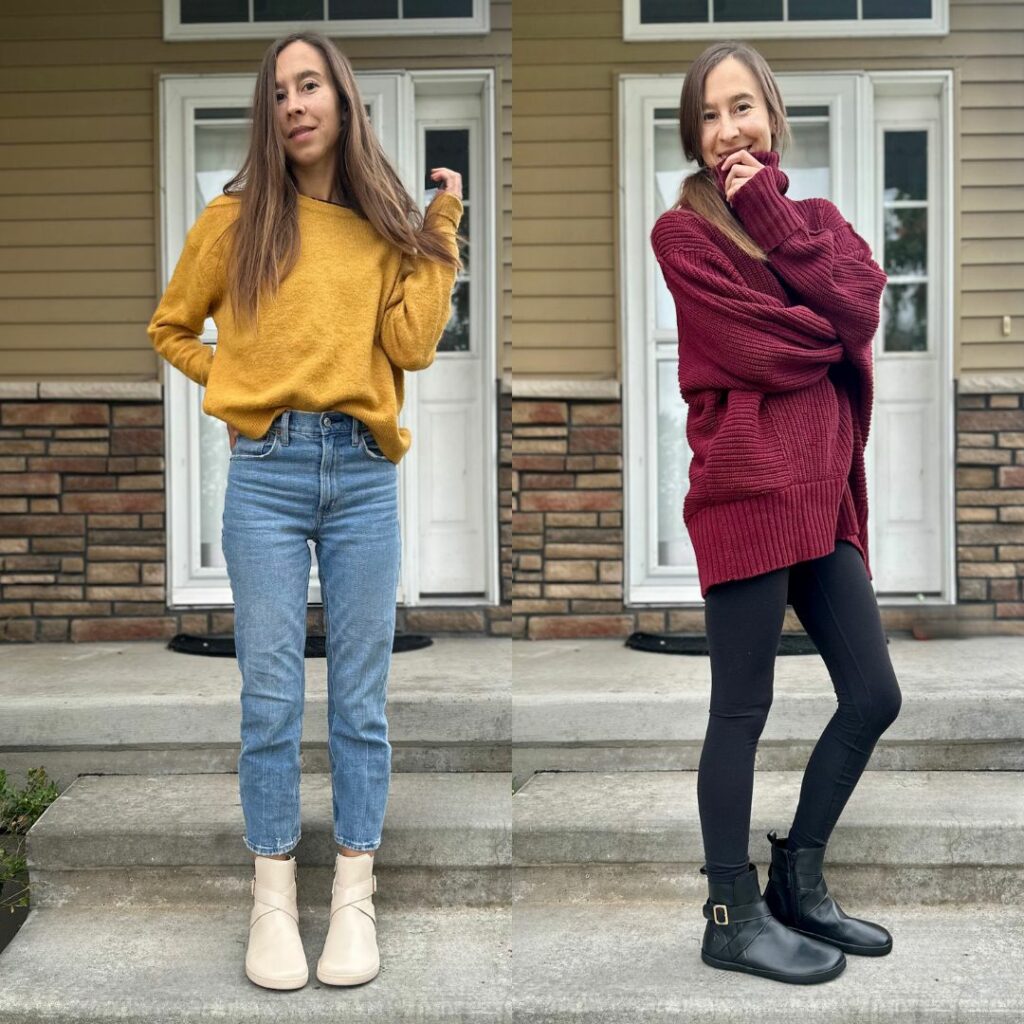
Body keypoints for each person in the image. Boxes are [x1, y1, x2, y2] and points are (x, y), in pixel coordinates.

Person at [146, 31, 462, 991]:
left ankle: (356, 893)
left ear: (342, 98)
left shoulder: (387, 223)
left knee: (360, 702)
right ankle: (274, 894)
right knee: (272, 698)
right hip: (268, 474)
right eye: (278, 90)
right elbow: (170, 327)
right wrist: (235, 383)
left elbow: (410, 347)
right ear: (267, 110)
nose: (293, 103)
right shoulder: (234, 218)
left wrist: (442, 227)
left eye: (309, 84)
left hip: (363, 472)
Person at [650, 41, 902, 985]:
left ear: (773, 114)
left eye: (742, 108)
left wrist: (773, 218)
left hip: (824, 497)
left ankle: (798, 874)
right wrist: (826, 326)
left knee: (875, 695)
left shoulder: (817, 219)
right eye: (709, 116)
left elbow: (859, 311)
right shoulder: (682, 234)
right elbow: (765, 348)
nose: (728, 131)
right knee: (741, 712)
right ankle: (730, 911)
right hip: (749, 495)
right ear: (693, 134)